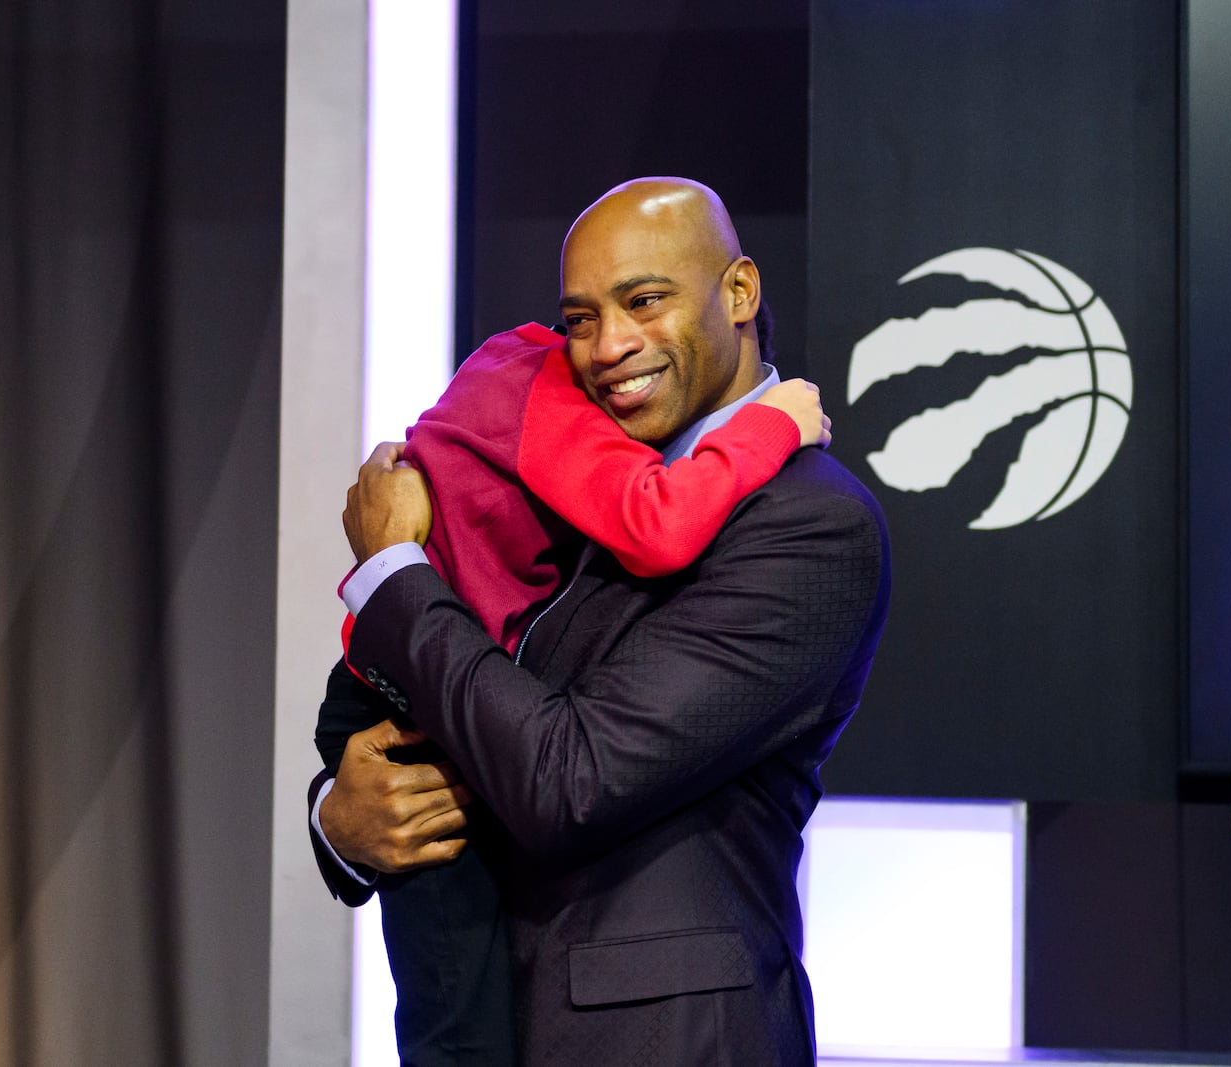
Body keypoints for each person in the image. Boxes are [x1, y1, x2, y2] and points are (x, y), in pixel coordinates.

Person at [314, 177, 891, 1064]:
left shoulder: (807, 521)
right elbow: (462, 708)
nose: (609, 346)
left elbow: (568, 777)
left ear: (739, 292)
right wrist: (342, 822)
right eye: (580, 319)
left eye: (644, 301)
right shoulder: (570, 466)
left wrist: (393, 567)